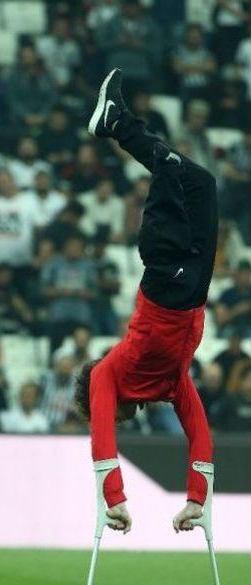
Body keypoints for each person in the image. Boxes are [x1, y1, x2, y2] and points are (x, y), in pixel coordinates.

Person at [75, 69, 220, 534]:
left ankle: (115, 124)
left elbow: (102, 438)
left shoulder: (107, 374)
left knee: (176, 170)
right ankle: (117, 123)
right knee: (204, 184)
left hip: (162, 278)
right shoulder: (172, 383)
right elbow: (199, 432)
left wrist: (112, 498)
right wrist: (197, 500)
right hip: (194, 290)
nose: (120, 416)